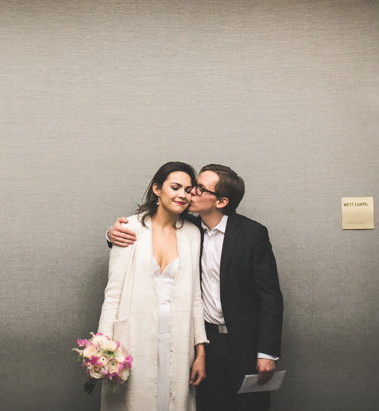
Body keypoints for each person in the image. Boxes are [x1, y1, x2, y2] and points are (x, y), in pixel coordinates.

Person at [108, 164, 283, 411]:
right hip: (205, 341)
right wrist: (112, 233)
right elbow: (153, 227)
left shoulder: (252, 234)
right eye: (192, 187)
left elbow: (270, 297)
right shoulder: (188, 228)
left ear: (221, 201)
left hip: (245, 343)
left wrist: (267, 353)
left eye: (199, 189)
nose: (190, 194)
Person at [98, 161, 208, 411]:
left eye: (188, 190)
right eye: (175, 187)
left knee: (171, 399)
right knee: (134, 400)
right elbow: (113, 293)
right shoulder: (129, 228)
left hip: (178, 334)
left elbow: (195, 297)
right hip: (135, 333)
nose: (182, 195)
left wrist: (200, 351)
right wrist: (102, 347)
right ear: (157, 189)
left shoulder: (192, 233)